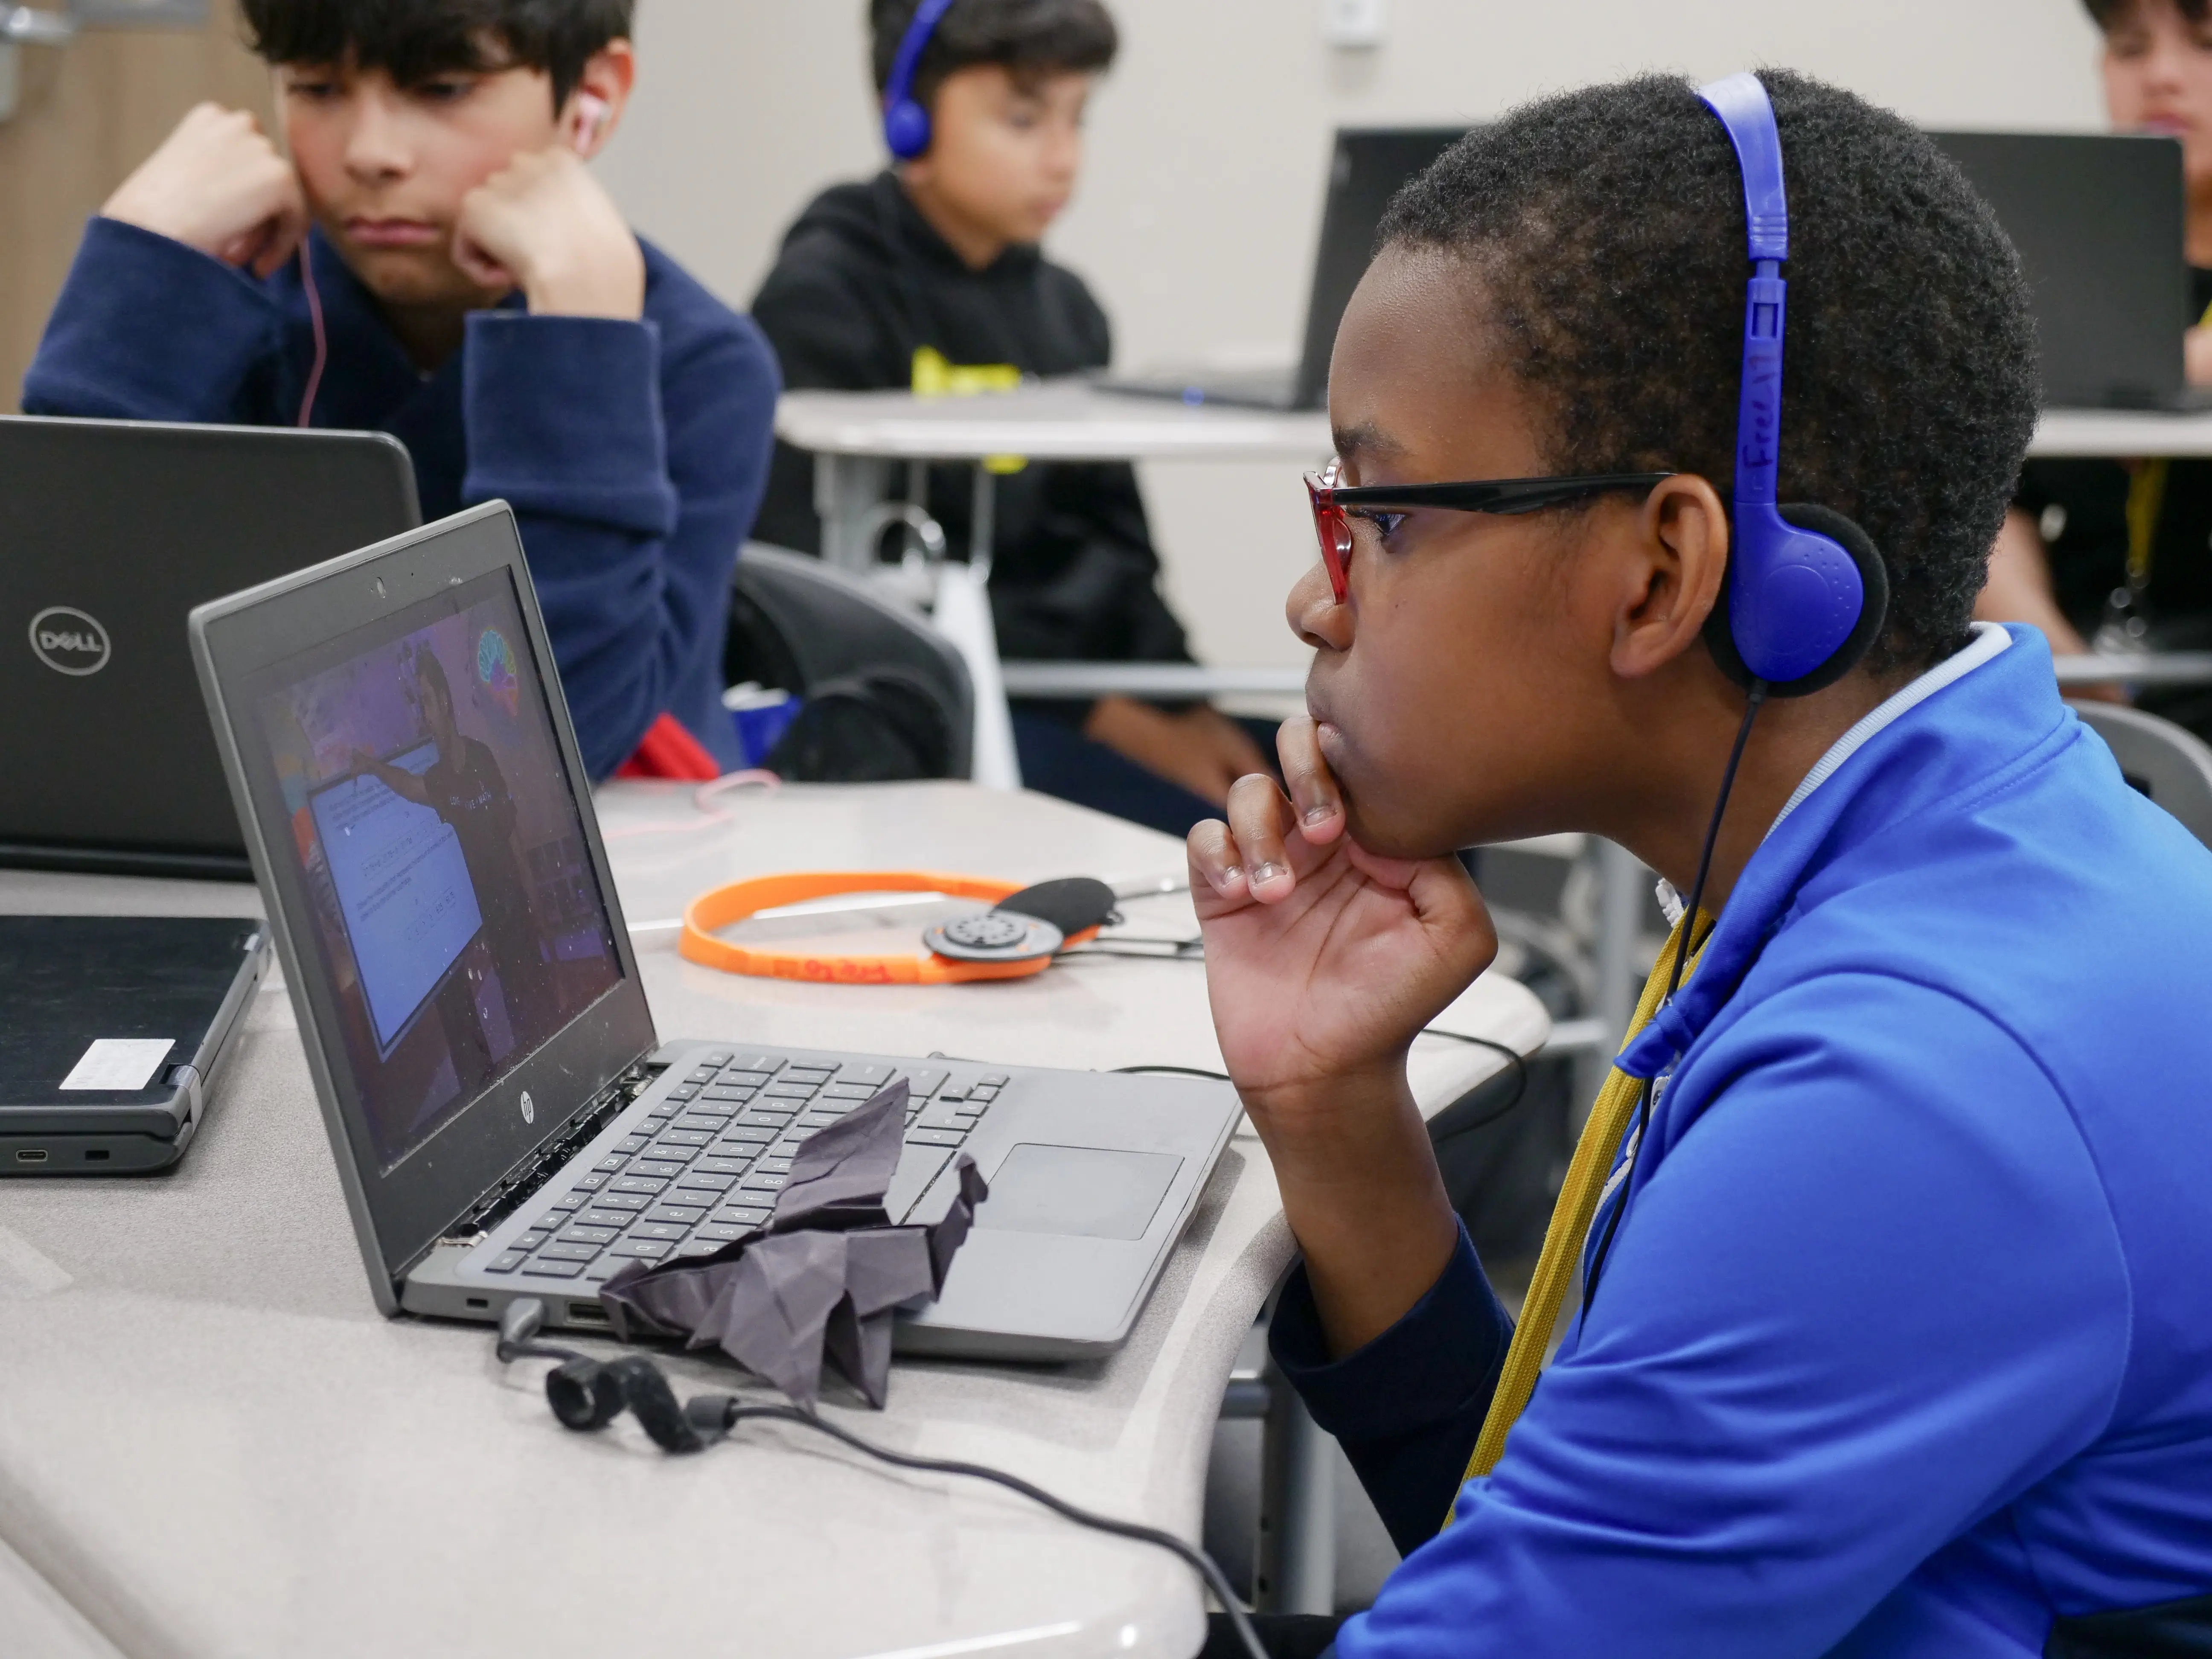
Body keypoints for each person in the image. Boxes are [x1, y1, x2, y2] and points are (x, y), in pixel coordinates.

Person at [1189, 72, 2212, 1658]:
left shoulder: (1919, 1090)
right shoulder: (1920, 843)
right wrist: (1336, 1113)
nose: (1317, 603)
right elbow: (1583, 1549)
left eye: (1377, 518)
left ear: (1662, 573)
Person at [20, 0, 777, 781]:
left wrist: (579, 345)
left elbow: (542, 750)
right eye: (317, 88)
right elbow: (57, 655)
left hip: (623, 846)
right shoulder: (227, 305)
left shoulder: (697, 365)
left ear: (592, 95)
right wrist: (134, 273)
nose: (370, 153)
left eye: (443, 89)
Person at [748, 0, 1271, 835]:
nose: (1063, 159)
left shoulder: (1068, 311)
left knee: (1367, 802)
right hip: (942, 706)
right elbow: (832, 590)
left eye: (1077, 118)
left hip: (1082, 693)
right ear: (909, 117)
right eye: (1024, 120)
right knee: (1219, 838)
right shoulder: (826, 297)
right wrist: (1113, 720)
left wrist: (1188, 706)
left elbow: (1118, 556)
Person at [1980, 0, 2212, 735]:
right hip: (2074, 715)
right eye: (2130, 49)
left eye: (2205, 43)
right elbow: (1995, 509)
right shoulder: (2059, 284)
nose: (2162, 77)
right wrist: (2071, 685)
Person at [352, 646, 550, 1062]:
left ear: (444, 701)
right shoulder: (441, 779)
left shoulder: (481, 756)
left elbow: (512, 834)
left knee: (542, 994)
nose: (424, 714)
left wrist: (536, 902)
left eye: (426, 701)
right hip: (492, 918)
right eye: (419, 704)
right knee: (519, 1009)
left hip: (518, 904)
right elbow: (408, 785)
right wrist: (370, 766)